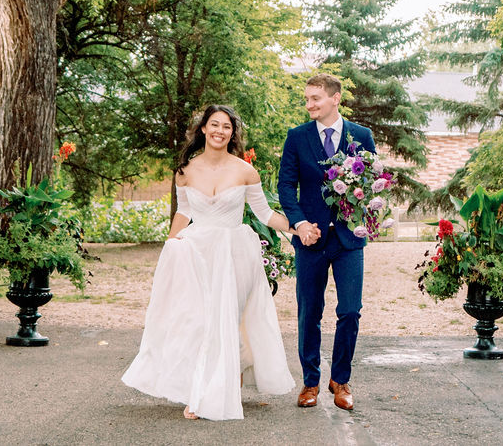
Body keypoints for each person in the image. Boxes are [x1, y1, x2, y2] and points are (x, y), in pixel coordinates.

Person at [122, 104, 308, 420]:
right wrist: (171, 244)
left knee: (226, 320)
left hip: (235, 251)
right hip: (197, 251)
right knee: (199, 321)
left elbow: (265, 214)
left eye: (226, 126)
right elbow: (184, 212)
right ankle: (199, 391)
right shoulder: (185, 170)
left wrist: (299, 227)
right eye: (214, 124)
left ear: (232, 133)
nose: (220, 131)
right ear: (204, 129)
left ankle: (215, 390)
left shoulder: (245, 170)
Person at [278, 74, 376, 412]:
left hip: (349, 240)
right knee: (310, 312)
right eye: (306, 99)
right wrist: (300, 224)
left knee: (350, 311)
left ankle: (341, 379)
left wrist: (367, 219)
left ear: (335, 98)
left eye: (315, 98)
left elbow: (372, 182)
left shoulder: (361, 136)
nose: (309, 104)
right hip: (310, 240)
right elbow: (286, 187)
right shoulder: (297, 137)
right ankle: (310, 382)